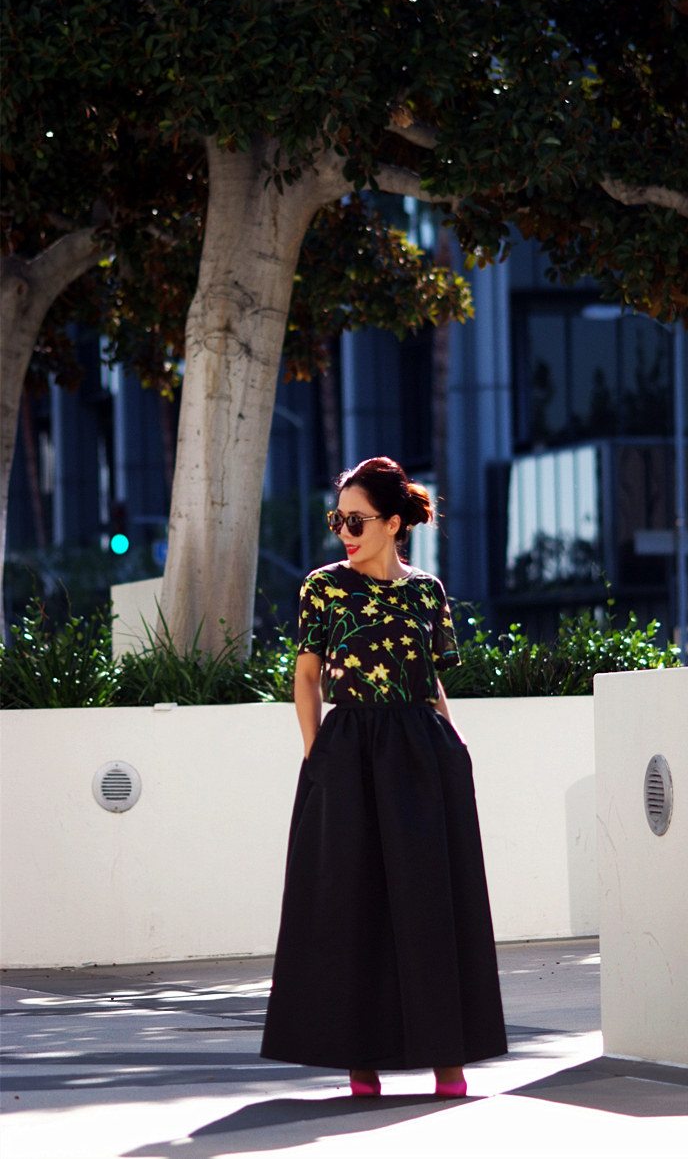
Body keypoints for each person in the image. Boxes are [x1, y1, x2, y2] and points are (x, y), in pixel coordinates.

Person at [260, 456, 507, 1097]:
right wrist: (317, 759)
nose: (344, 530)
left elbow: (432, 679)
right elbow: (307, 678)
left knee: (430, 904)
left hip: (421, 752)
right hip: (348, 749)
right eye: (337, 518)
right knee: (349, 904)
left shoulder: (427, 591)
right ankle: (358, 1064)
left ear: (394, 523)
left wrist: (455, 745)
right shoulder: (323, 587)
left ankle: (447, 1064)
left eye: (357, 519)